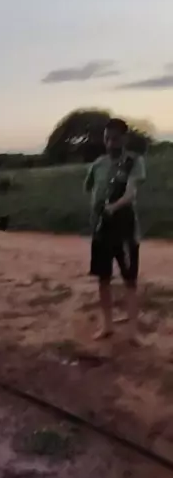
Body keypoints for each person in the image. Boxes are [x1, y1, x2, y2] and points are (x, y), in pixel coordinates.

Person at [85, 118, 146, 343]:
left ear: (124, 139)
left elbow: (131, 193)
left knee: (130, 281)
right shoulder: (97, 164)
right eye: (107, 138)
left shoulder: (134, 162)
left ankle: (133, 332)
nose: (111, 143)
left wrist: (113, 207)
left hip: (125, 228)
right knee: (103, 279)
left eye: (115, 139)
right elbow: (89, 188)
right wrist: (98, 210)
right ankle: (107, 325)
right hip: (101, 229)